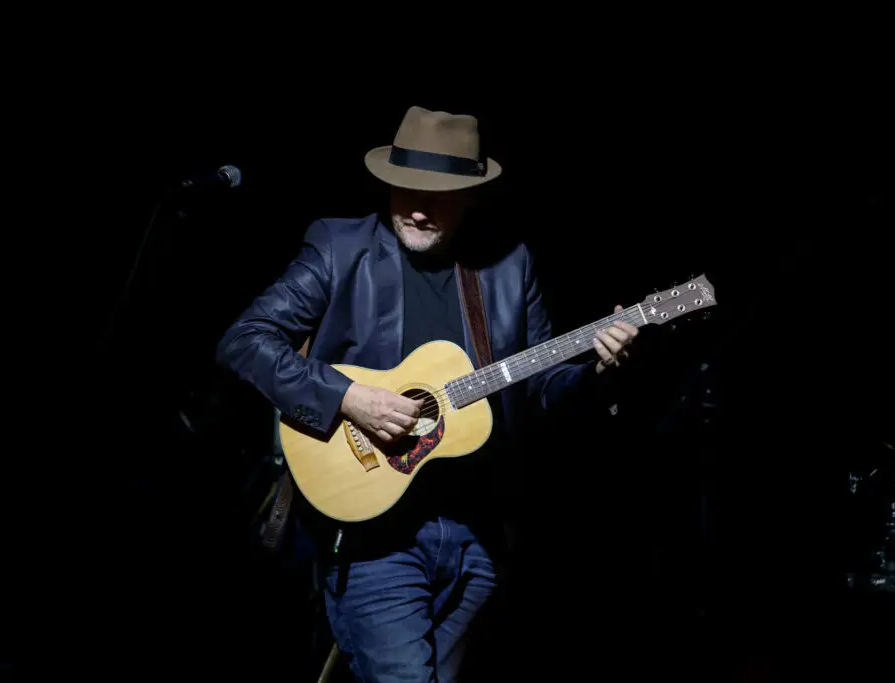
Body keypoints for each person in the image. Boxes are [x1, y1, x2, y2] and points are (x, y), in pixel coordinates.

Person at [215, 105, 639, 682]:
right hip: (374, 539)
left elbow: (541, 391)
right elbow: (245, 340)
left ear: (470, 196)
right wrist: (347, 396)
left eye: (437, 195)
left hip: (478, 540)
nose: (416, 207)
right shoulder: (342, 248)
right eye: (405, 189)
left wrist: (599, 376)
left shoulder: (509, 268)